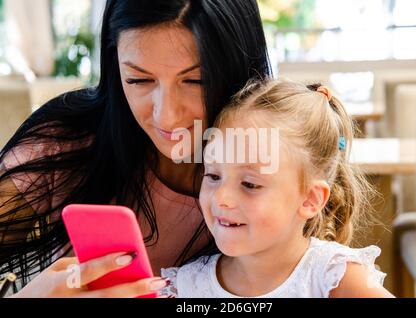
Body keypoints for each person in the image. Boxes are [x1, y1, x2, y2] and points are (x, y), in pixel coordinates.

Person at [0, 0, 272, 298]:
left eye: (197, 80)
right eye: (139, 79)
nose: (166, 116)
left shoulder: (288, 158)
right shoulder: (62, 144)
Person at [159, 79, 395, 297]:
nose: (221, 197)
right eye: (212, 175)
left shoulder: (336, 279)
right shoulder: (186, 287)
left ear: (310, 199)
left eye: (249, 184)